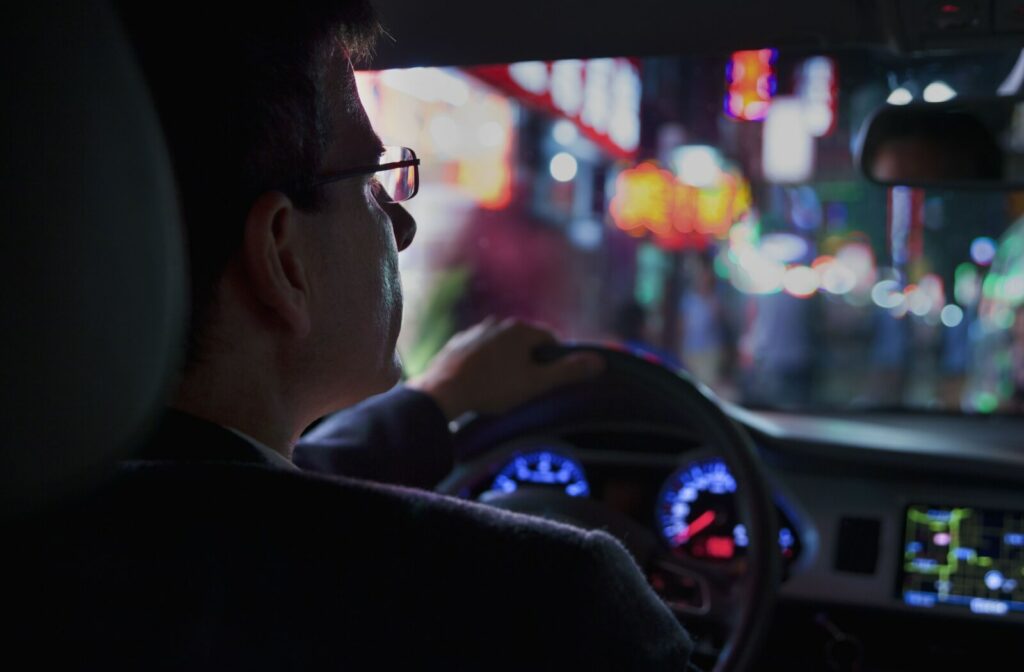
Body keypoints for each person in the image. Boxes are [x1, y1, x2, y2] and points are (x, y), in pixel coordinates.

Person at [6, 2, 694, 669]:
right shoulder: (550, 603)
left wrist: (438, 399)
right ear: (282, 255)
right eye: (370, 183)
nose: (403, 225)